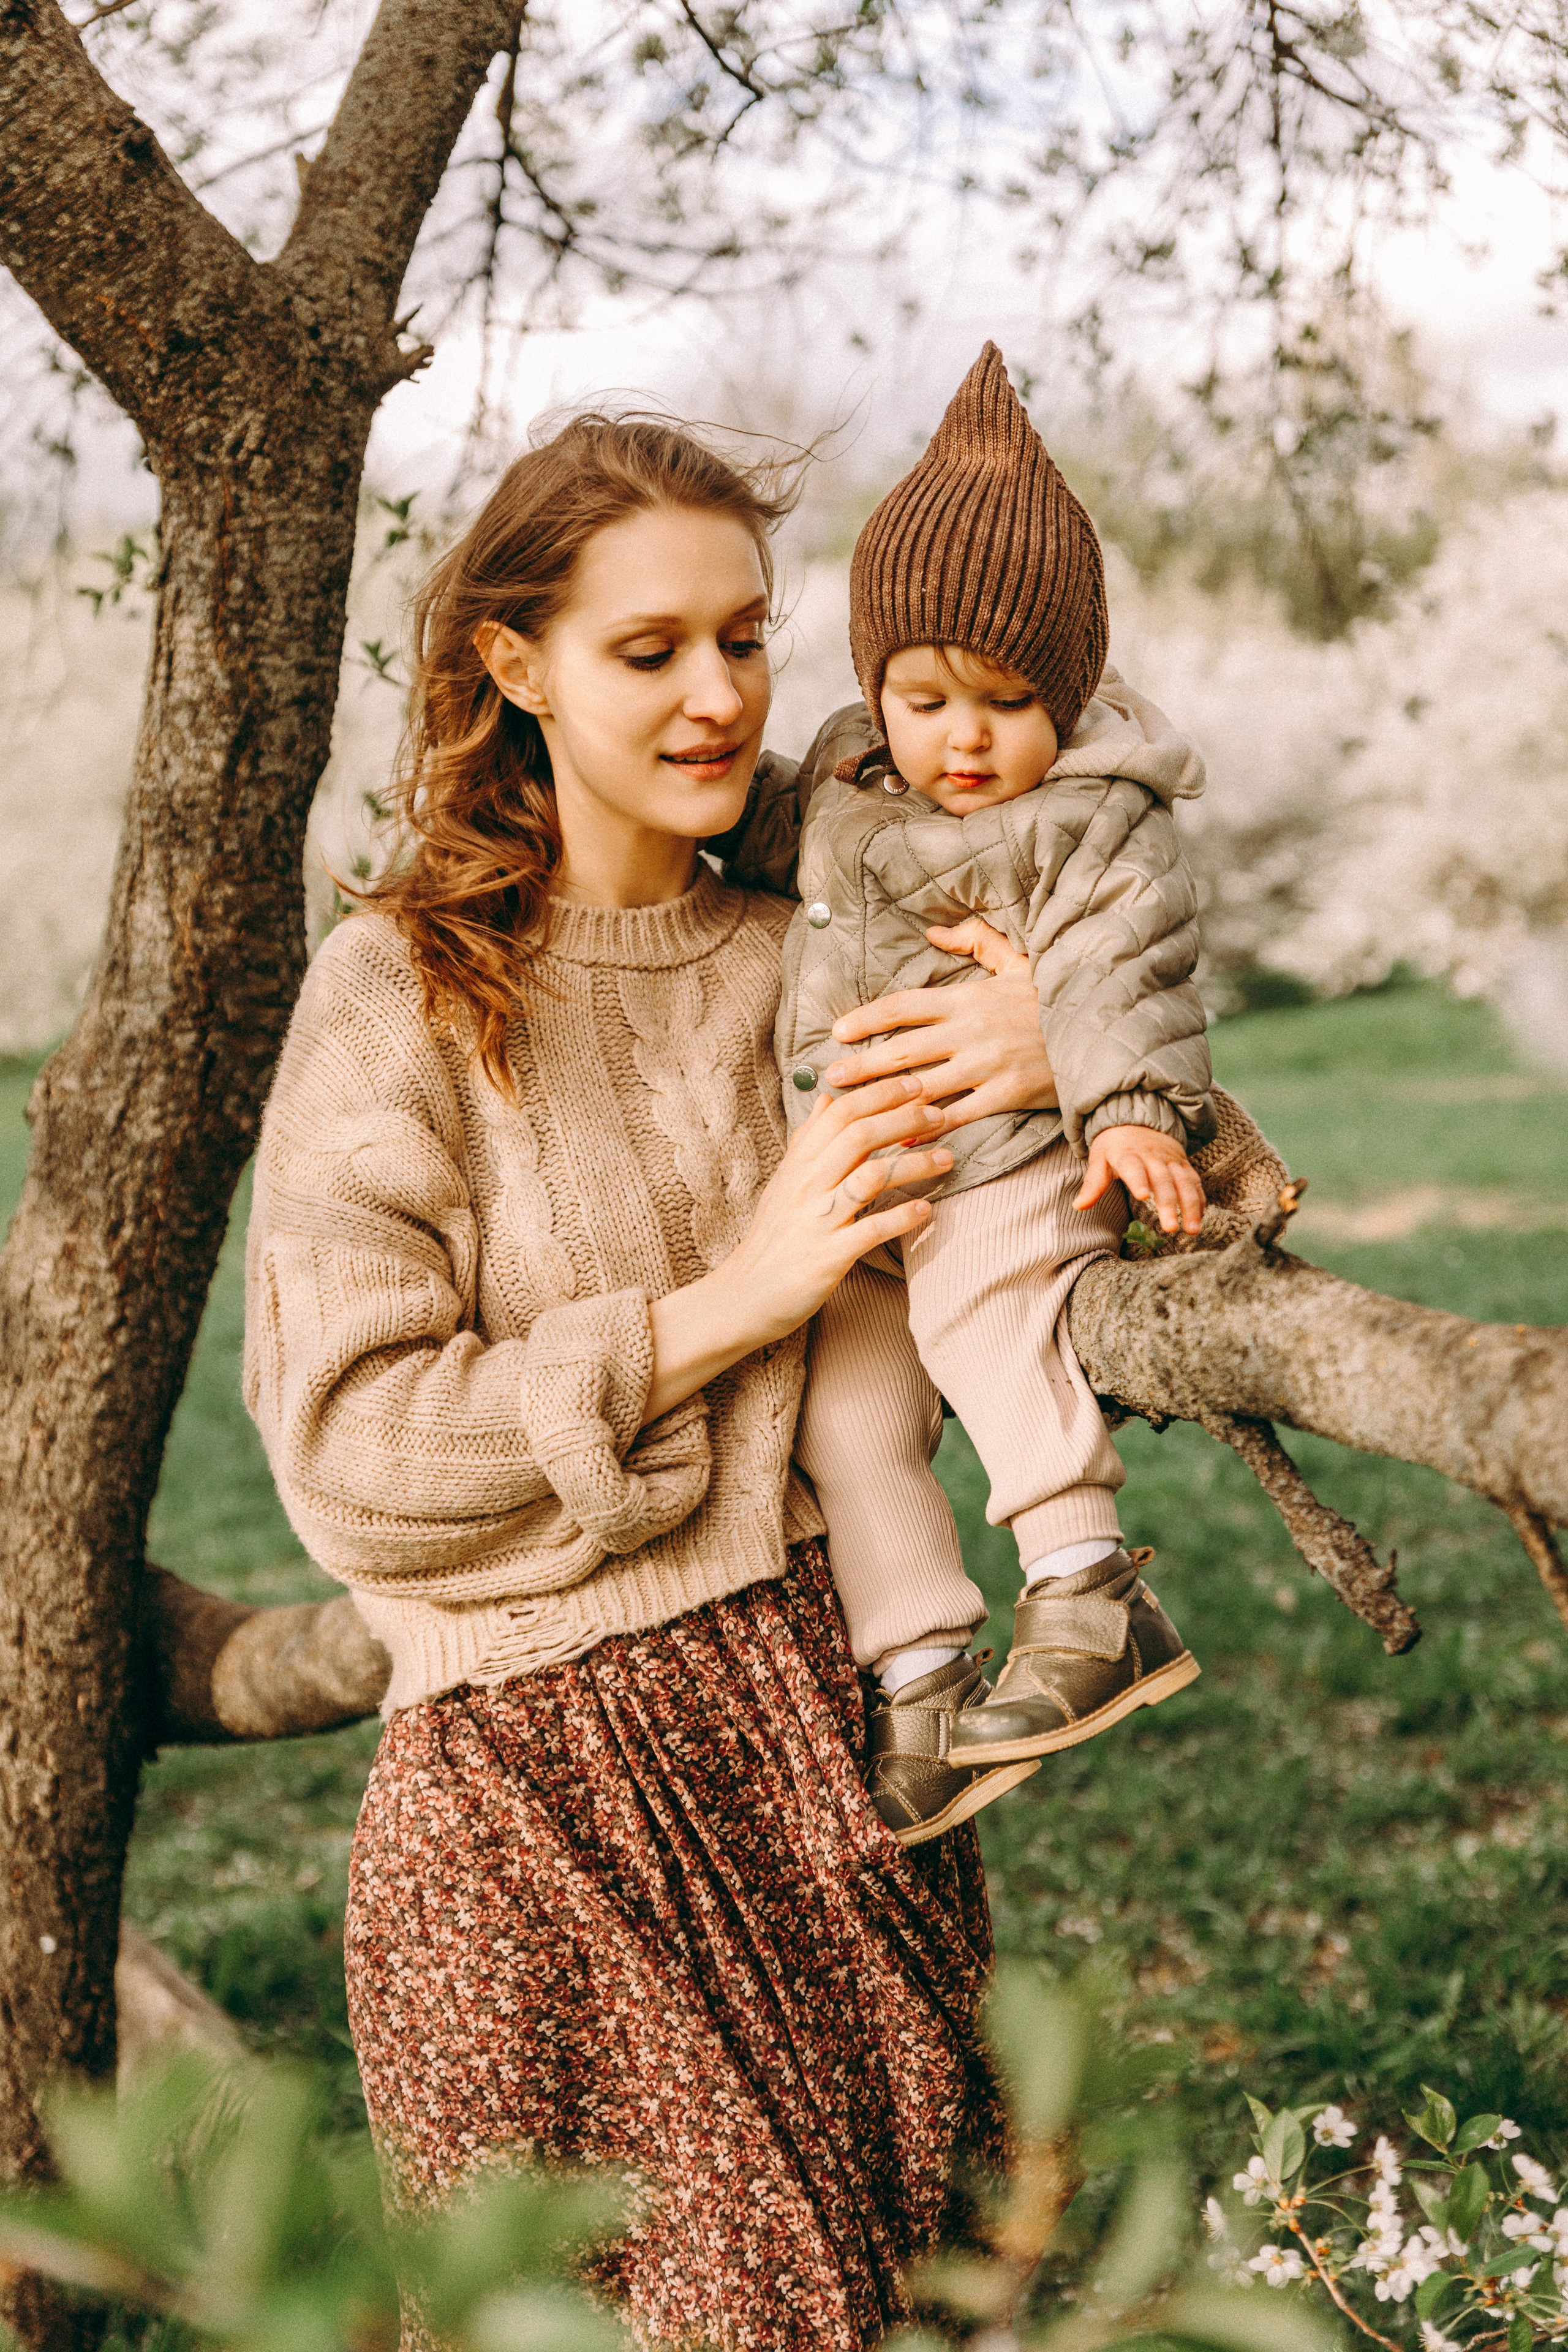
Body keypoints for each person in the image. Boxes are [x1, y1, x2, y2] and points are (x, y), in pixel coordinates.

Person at [243, 410, 1065, 2351]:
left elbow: (1140, 1203)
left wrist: (1063, 1036)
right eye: (650, 650)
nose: (719, 695)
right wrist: (740, 1294)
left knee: (947, 2309)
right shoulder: (402, 996)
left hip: (833, 1734)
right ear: (513, 668)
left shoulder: (832, 948)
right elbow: (353, 1458)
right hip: (532, 1812)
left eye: (749, 638)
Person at [711, 343, 1212, 1849]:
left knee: (988, 1319)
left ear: (1064, 695)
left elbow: (1125, 971)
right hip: (863, 1178)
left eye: (1003, 701)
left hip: (994, 1173)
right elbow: (736, 829)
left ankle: (1085, 1582)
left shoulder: (1091, 824)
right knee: (846, 1412)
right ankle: (922, 1667)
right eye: (922, 698)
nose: (963, 739)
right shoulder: (848, 787)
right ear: (874, 691)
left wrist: (1124, 1106)